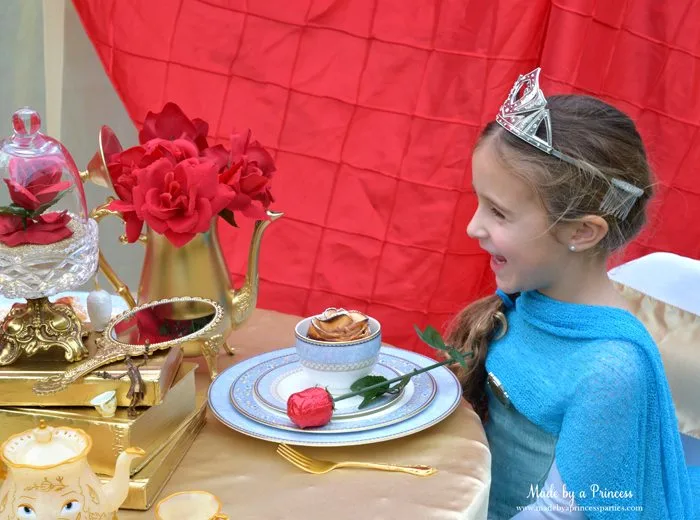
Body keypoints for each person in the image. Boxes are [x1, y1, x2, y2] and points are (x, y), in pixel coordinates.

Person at [448, 68, 700, 519]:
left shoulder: (609, 371)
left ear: (582, 232)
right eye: (479, 201)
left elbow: (561, 512)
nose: (473, 226)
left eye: (499, 213)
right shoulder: (532, 300)